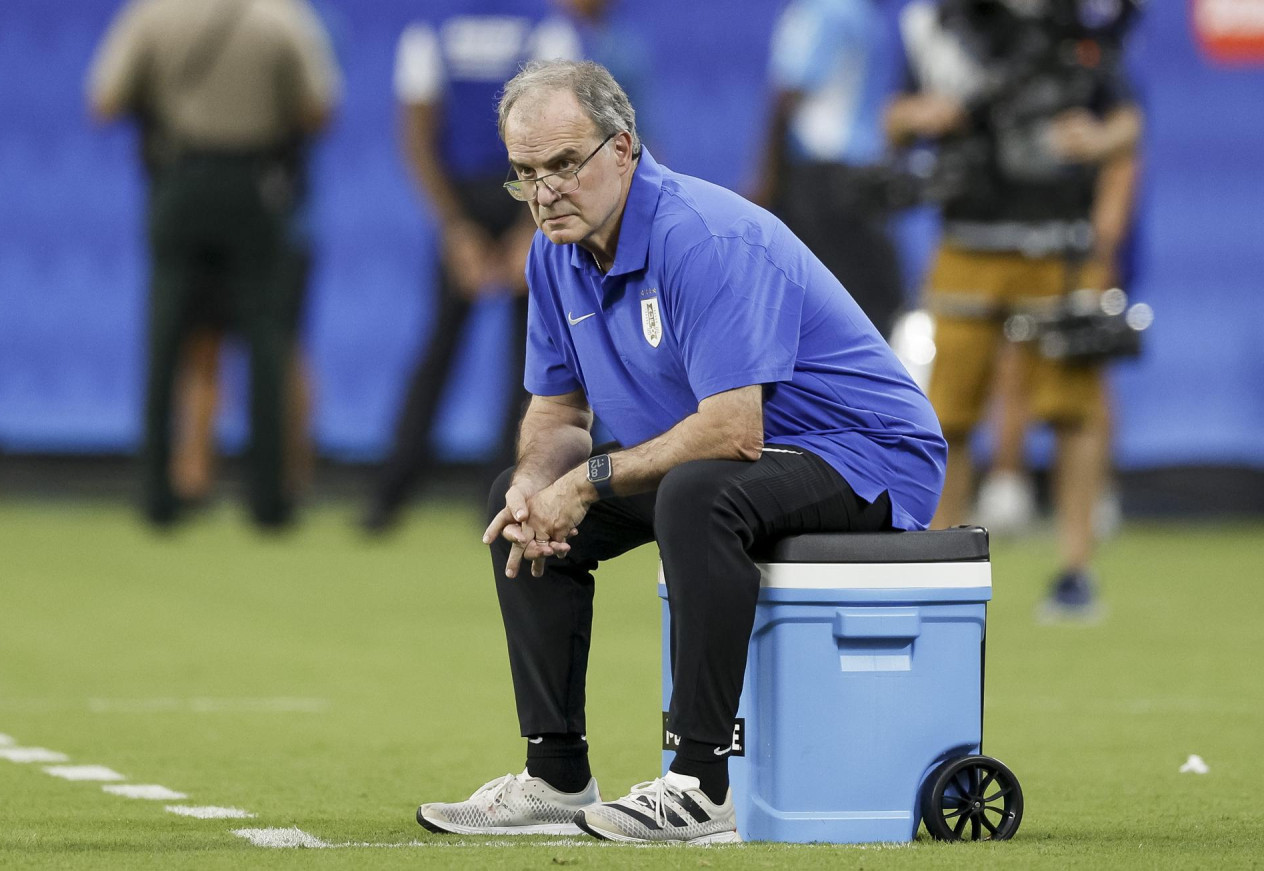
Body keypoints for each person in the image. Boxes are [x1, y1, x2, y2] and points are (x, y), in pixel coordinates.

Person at [414, 60, 947, 844]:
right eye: (525, 173)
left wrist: (590, 480)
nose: (544, 191)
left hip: (866, 454)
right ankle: (556, 774)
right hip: (738, 459)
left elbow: (735, 429)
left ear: (623, 149)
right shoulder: (552, 252)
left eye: (564, 164)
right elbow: (559, 408)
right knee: (514, 496)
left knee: (695, 495)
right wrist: (537, 482)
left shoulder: (701, 235)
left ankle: (701, 786)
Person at [885, 0, 1142, 617]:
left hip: (1057, 239)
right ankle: (940, 568)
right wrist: (924, 115)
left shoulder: (1071, 22)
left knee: (1072, 410)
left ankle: (1076, 572)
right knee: (947, 411)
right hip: (968, 240)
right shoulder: (934, 24)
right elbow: (892, 120)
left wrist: (1099, 138)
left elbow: (1127, 117)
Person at [87, 0, 341, 529]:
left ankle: (158, 495)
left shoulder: (152, 15)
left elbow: (105, 100)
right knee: (268, 338)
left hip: (179, 179)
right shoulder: (283, 18)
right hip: (256, 186)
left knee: (167, 337)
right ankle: (270, 501)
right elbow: (319, 108)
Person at [360, 2, 582, 535]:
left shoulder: (530, 27)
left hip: (525, 197)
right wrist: (457, 228)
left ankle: (508, 495)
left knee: (531, 363)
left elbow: (565, 138)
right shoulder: (534, 28)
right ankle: (392, 496)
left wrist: (529, 229)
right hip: (481, 202)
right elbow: (418, 136)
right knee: (448, 352)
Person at [754, 0, 907, 338]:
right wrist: (767, 178)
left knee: (862, 313)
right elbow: (788, 95)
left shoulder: (857, 14)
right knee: (842, 314)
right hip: (824, 186)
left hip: (848, 185)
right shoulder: (826, 10)